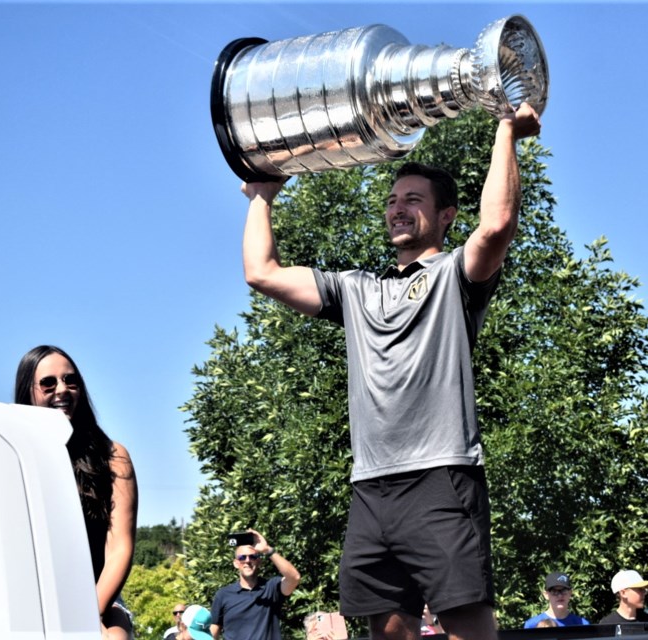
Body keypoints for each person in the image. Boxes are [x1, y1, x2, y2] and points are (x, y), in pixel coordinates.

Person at [238, 98, 541, 640]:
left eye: (414, 200)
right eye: (393, 200)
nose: (398, 208)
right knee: (388, 633)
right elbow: (261, 273)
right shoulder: (357, 288)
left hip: (441, 477)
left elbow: (495, 224)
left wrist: (506, 129)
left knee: (468, 629)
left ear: (446, 216)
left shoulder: (455, 276)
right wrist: (262, 196)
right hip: (371, 488)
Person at [14, 345, 138, 639]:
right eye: (48, 383)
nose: (62, 389)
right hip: (29, 600)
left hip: (98, 598)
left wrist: (88, 613)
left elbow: (119, 546)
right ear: (27, 391)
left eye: (71, 381)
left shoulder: (113, 456)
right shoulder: (11, 454)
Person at [209, 528, 301, 640]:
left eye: (252, 557)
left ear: (259, 562)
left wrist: (267, 550)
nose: (247, 560)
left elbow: (294, 577)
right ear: (236, 563)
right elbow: (214, 630)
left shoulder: (271, 588)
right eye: (242, 557)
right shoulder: (223, 595)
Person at [523, 572, 590, 627]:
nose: (560, 595)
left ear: (570, 593)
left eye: (563, 590)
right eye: (554, 591)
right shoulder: (532, 625)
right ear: (546, 595)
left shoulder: (582, 624)